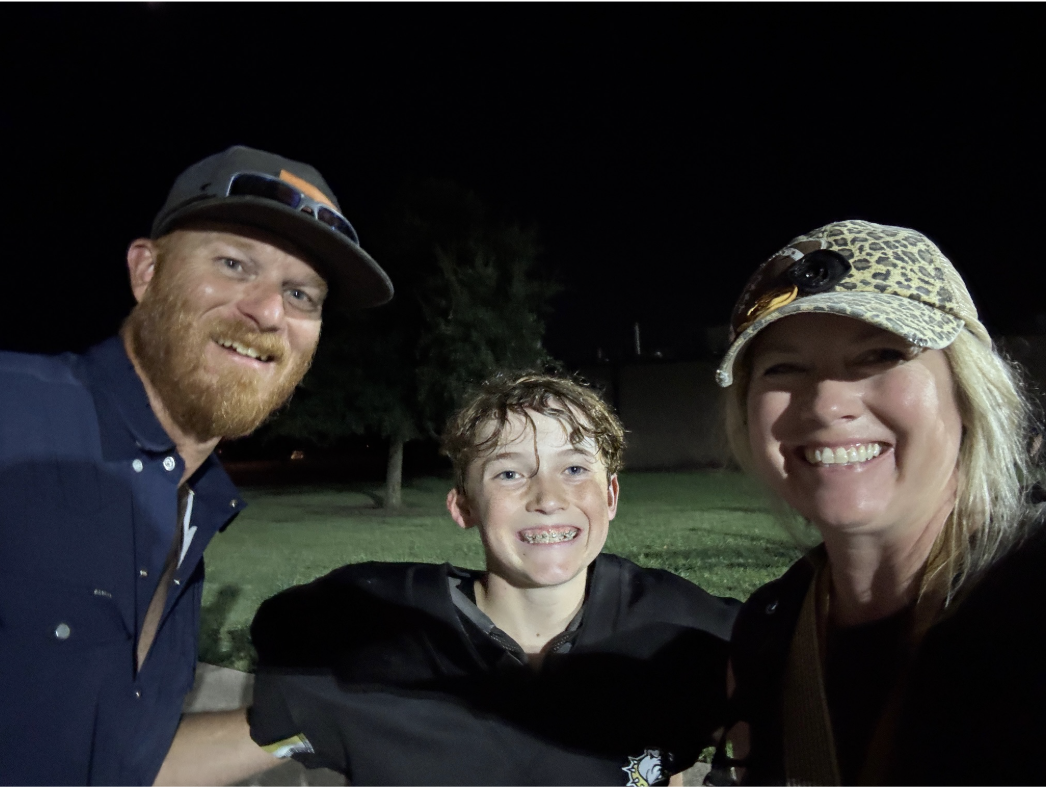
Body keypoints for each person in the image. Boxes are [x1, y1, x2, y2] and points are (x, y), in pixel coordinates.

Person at [0, 145, 393, 786]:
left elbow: (124, 764)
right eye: (234, 265)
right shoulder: (13, 415)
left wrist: (322, 714)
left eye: (300, 294)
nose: (268, 312)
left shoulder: (195, 505)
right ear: (146, 270)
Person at [247, 373, 740, 786]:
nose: (548, 498)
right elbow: (266, 718)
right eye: (509, 474)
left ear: (610, 496)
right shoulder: (374, 621)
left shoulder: (685, 627)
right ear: (463, 506)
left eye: (573, 468)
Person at [710, 220, 1046, 785]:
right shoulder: (770, 631)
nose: (825, 403)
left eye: (880, 355)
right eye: (783, 368)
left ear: (968, 393)